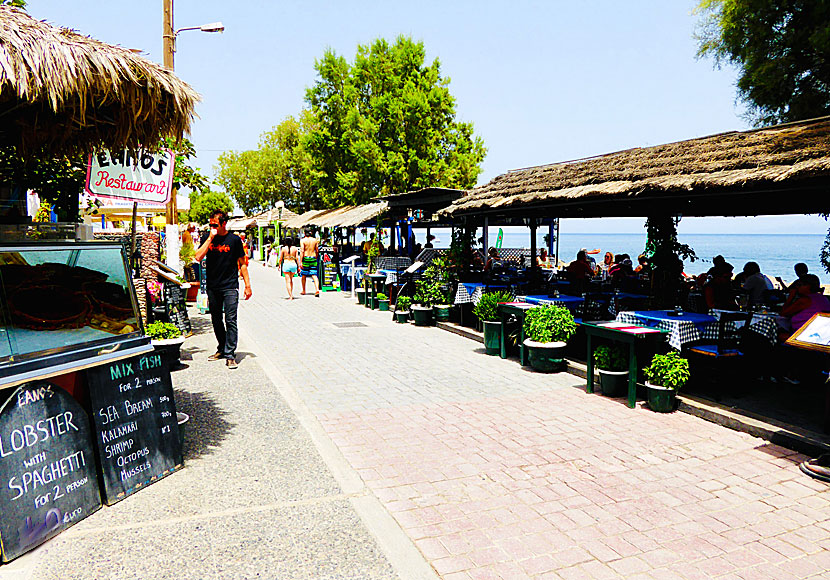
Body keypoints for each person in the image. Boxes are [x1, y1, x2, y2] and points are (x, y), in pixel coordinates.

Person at [194, 210, 252, 369]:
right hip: (213, 286)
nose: (212, 227)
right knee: (216, 319)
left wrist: (247, 285)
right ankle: (222, 347)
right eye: (210, 224)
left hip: (230, 286)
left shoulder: (234, 240)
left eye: (215, 224)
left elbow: (243, 263)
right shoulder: (207, 237)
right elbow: (198, 257)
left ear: (223, 223)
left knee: (230, 320)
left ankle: (230, 354)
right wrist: (211, 238)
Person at [300, 228, 320, 296]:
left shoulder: (303, 240)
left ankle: (303, 290)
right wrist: (316, 257)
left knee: (303, 275)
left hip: (306, 258)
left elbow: (302, 251)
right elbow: (317, 250)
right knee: (314, 274)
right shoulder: (315, 240)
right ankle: (317, 289)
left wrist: (301, 261)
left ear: (304, 233)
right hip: (313, 257)